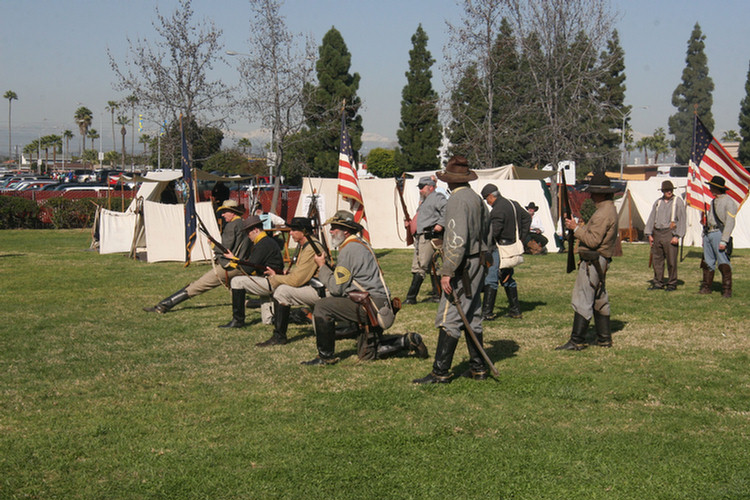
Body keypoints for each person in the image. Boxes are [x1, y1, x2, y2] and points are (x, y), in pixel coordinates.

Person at [302, 210, 427, 365]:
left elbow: (336, 289)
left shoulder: (349, 249)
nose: (331, 231)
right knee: (366, 355)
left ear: (346, 231)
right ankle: (406, 341)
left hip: (369, 305)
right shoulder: (360, 244)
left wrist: (322, 267)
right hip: (376, 303)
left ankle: (325, 357)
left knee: (322, 306)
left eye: (334, 227)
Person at [414, 156, 490, 384]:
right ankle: (478, 368)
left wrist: (448, 270)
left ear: (450, 181)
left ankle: (441, 371)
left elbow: (457, 239)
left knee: (449, 316)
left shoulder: (457, 201)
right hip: (476, 262)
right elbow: (487, 232)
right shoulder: (476, 199)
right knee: (472, 315)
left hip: (463, 266)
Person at [143, 200, 251, 314]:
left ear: (232, 212)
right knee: (238, 296)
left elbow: (226, 249)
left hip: (228, 267)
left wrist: (213, 245)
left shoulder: (231, 226)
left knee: (197, 286)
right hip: (240, 266)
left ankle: (163, 306)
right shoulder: (244, 224)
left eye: (224, 212)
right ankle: (258, 303)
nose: (222, 215)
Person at [556, 172, 618, 351]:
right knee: (599, 298)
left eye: (594, 192)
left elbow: (593, 241)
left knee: (583, 298)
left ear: (602, 193)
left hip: (593, 260)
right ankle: (604, 338)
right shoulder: (606, 210)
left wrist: (576, 229)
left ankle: (577, 340)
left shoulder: (603, 213)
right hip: (599, 260)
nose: (590, 195)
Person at [257, 217, 326, 346]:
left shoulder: (312, 247)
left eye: (294, 230)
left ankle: (279, 336)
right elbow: (299, 274)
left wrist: (275, 278)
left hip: (319, 291)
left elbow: (296, 280)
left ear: (304, 232)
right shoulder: (306, 246)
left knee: (282, 291)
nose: (290, 233)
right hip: (313, 287)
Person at [219, 215, 284, 328]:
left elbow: (249, 269)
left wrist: (233, 261)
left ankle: (238, 320)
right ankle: (300, 315)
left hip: (271, 282)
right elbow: (253, 265)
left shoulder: (263, 244)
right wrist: (234, 259)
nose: (247, 236)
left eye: (248, 232)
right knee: (268, 320)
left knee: (236, 281)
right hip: (269, 280)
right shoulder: (265, 242)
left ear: (255, 230)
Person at [480, 184, 531, 321]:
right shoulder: (512, 204)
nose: (487, 202)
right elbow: (527, 218)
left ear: (491, 196)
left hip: (499, 248)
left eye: (487, 199)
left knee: (491, 278)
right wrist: (521, 237)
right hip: (511, 246)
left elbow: (494, 232)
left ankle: (487, 312)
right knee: (507, 278)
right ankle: (515, 310)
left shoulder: (497, 210)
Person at [405, 176, 446, 304]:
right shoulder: (424, 202)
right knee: (426, 265)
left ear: (430, 187)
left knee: (422, 267)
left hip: (429, 237)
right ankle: (437, 295)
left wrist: (440, 224)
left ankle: (411, 297)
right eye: (420, 188)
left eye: (422, 187)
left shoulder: (438, 197)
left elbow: (447, 210)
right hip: (421, 237)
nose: (420, 190)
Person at [699, 176, 738, 298]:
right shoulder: (713, 201)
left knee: (723, 263)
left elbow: (730, 222)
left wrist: (724, 240)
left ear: (717, 188)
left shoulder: (729, 202)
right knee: (707, 262)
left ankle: (727, 290)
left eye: (712, 187)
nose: (710, 189)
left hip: (719, 233)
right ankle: (706, 287)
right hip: (709, 233)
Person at [644, 180, 686, 291]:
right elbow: (651, 218)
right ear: (662, 191)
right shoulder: (658, 202)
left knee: (671, 261)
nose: (669, 192)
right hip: (657, 232)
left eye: (670, 190)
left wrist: (677, 236)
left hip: (670, 233)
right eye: (666, 190)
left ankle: (672, 283)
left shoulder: (678, 202)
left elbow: (682, 220)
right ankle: (658, 283)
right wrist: (649, 234)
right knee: (657, 260)